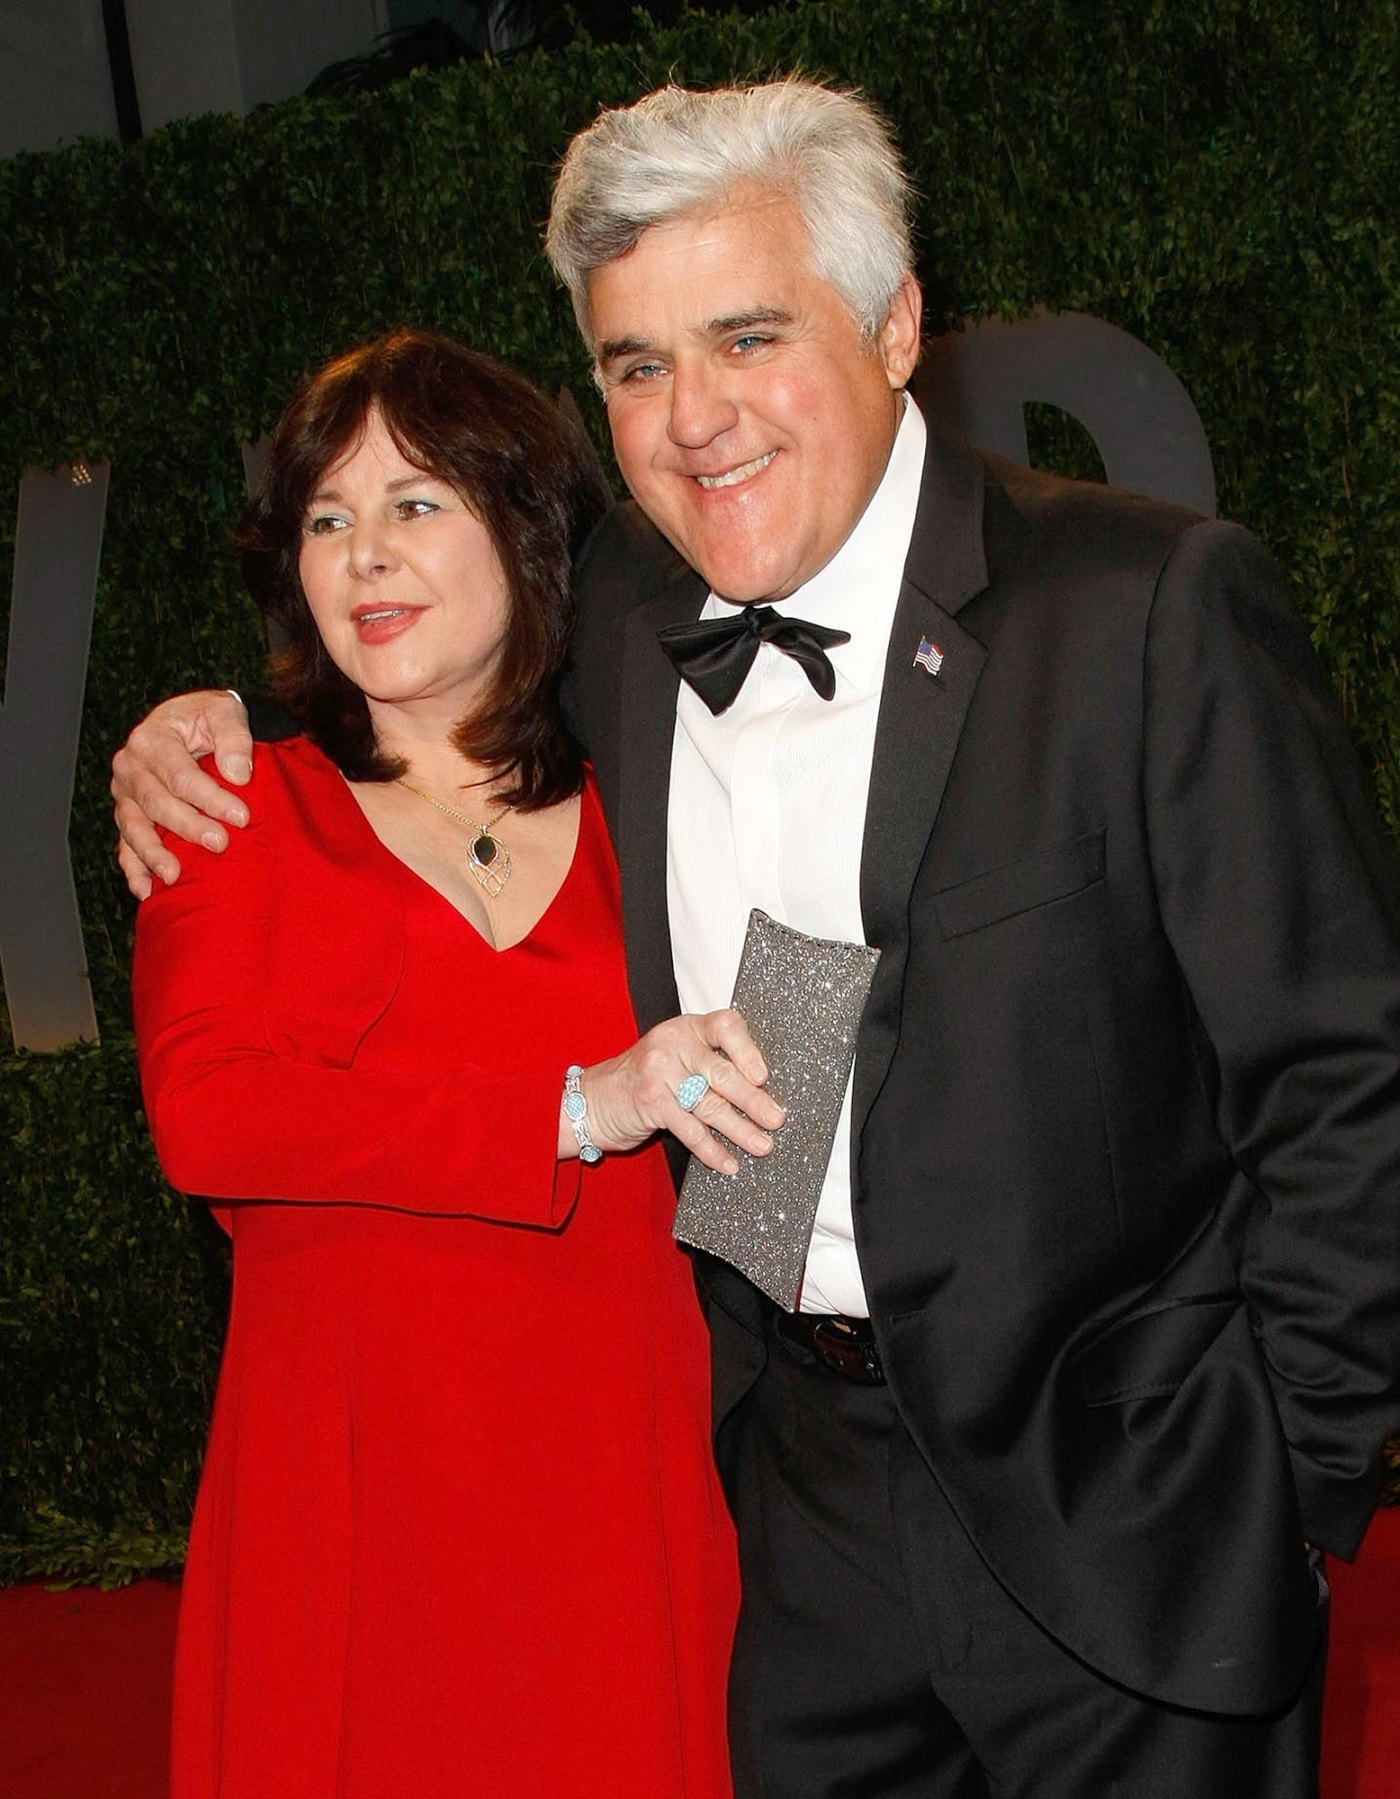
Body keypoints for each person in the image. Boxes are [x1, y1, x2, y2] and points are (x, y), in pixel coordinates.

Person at [113, 80, 1400, 1799]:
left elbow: (1345, 1076)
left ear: (894, 326)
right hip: (796, 1528)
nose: (695, 418)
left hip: (1131, 1513)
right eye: (638, 364)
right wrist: (199, 726)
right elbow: (417, 677)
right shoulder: (625, 625)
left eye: (746, 338)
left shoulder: (1141, 605)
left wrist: (1295, 1481)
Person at [128, 327, 785, 1799]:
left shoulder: (654, 806)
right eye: (326, 520)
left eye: (416, 503)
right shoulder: (230, 806)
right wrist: (578, 1106)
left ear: (527, 532)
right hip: (353, 1490)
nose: (366, 554)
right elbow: (211, 1117)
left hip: (622, 1468)